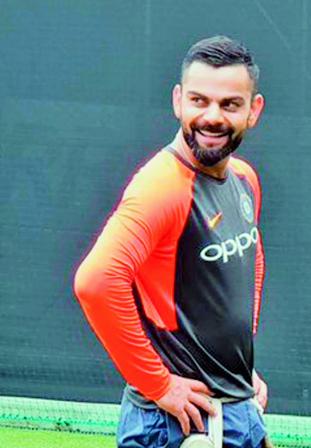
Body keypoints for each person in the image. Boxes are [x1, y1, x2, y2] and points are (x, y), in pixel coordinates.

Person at [74, 35, 269, 448]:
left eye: (229, 104)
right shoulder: (162, 186)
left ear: (254, 110)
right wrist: (158, 385)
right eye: (199, 101)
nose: (212, 117)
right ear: (178, 101)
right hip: (178, 425)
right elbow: (96, 282)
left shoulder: (244, 180)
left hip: (233, 406)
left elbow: (248, 266)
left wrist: (238, 368)